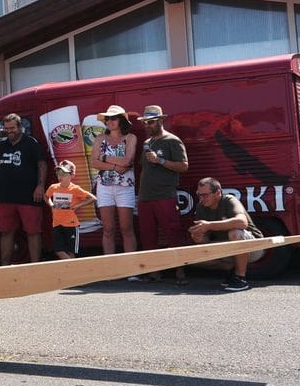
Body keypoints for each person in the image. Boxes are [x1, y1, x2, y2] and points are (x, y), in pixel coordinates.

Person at [130, 105, 190, 284]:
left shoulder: (173, 140)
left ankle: (180, 272)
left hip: (165, 194)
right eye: (145, 122)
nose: (147, 125)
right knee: (148, 236)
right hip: (145, 197)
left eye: (151, 122)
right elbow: (144, 170)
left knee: (172, 232)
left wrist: (160, 160)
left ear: (161, 121)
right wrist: (139, 194)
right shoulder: (147, 143)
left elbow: (184, 166)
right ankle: (154, 272)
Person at [0, 113, 47, 264]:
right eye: (7, 128)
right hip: (5, 197)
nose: (10, 131)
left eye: (13, 128)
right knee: (6, 232)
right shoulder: (1, 145)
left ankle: (36, 266)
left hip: (29, 196)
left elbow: (42, 164)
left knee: (33, 232)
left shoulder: (31, 143)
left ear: (20, 127)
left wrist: (40, 186)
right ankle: (5, 267)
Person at [189, 177, 263, 292]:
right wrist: (198, 237)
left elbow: (242, 222)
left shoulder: (229, 200)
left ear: (218, 192)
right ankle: (231, 271)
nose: (201, 198)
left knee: (235, 232)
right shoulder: (200, 207)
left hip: (253, 247)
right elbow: (205, 239)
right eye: (199, 195)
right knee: (194, 256)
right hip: (227, 246)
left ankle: (240, 278)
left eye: (205, 195)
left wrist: (208, 225)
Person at [89, 104, 137, 255]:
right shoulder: (100, 138)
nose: (110, 121)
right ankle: (110, 269)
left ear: (121, 120)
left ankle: (132, 270)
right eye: (107, 119)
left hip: (125, 187)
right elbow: (94, 162)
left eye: (113, 118)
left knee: (127, 228)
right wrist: (116, 167)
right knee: (108, 229)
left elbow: (128, 161)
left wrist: (104, 158)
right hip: (104, 187)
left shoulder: (130, 138)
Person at [44, 161, 96, 260]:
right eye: (58, 173)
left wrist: (78, 206)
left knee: (71, 252)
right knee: (59, 250)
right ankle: (75, 268)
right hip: (57, 224)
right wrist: (51, 205)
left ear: (72, 175)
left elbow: (93, 198)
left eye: (63, 174)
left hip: (71, 225)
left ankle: (72, 271)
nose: (60, 176)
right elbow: (46, 196)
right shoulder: (53, 187)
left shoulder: (75, 189)